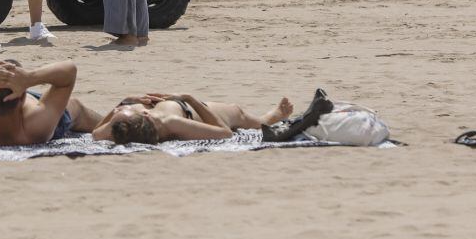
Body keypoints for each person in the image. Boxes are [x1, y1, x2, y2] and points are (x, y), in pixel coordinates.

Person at [0, 59, 102, 146]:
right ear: (23, 97)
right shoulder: (37, 127)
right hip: (31, 108)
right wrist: (30, 78)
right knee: (75, 107)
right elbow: (69, 70)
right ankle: (105, 122)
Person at [91, 89, 334, 145]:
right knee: (236, 114)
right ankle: (270, 117)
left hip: (170, 105)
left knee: (236, 113)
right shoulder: (168, 122)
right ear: (146, 116)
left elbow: (94, 133)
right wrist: (189, 98)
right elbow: (225, 134)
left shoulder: (119, 119)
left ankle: (269, 117)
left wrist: (123, 104)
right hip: (186, 109)